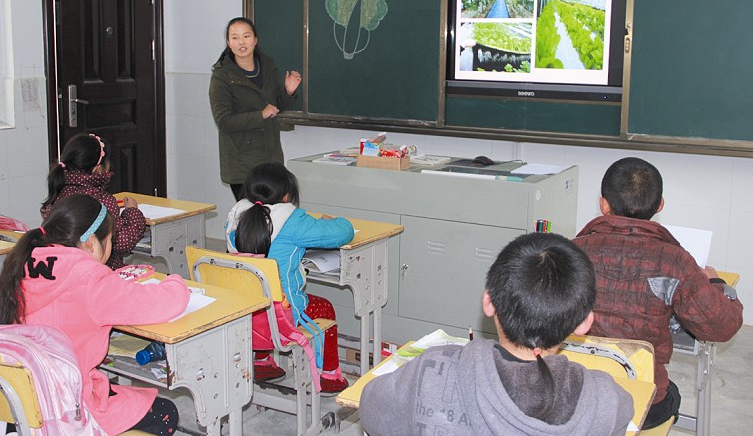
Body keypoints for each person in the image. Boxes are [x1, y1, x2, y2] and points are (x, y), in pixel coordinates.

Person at [359, 233, 634, 436]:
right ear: (584, 323)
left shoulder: (430, 370)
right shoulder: (606, 401)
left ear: (488, 302)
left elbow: (371, 411)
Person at [0, 194, 190, 435]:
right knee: (164, 412)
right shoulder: (91, 280)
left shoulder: (22, 261)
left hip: (12, 400)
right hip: (62, 409)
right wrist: (175, 280)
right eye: (111, 239)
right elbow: (164, 303)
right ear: (92, 243)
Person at [574, 157, 743, 429]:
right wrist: (716, 283)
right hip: (641, 402)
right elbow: (721, 327)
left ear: (603, 203)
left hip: (574, 393)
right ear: (660, 204)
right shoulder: (675, 261)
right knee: (670, 393)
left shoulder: (569, 252)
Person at [225, 162, 354, 393]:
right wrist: (332, 221)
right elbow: (343, 232)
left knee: (261, 294)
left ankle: (262, 361)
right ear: (286, 196)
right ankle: (330, 375)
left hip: (244, 316)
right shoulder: (293, 221)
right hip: (283, 318)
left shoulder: (234, 219)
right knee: (324, 308)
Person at [209, 17, 302, 200]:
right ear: (228, 43)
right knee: (253, 219)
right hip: (242, 163)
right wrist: (260, 115)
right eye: (234, 38)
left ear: (255, 39)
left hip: (271, 157)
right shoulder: (222, 76)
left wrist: (288, 92)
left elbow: (275, 107)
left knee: (275, 217)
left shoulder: (267, 65)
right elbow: (224, 121)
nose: (241, 42)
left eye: (246, 36)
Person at [41, 132, 146, 270]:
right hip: (102, 275)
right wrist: (132, 212)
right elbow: (122, 244)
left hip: (65, 271)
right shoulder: (102, 201)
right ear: (99, 168)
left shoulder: (59, 192)